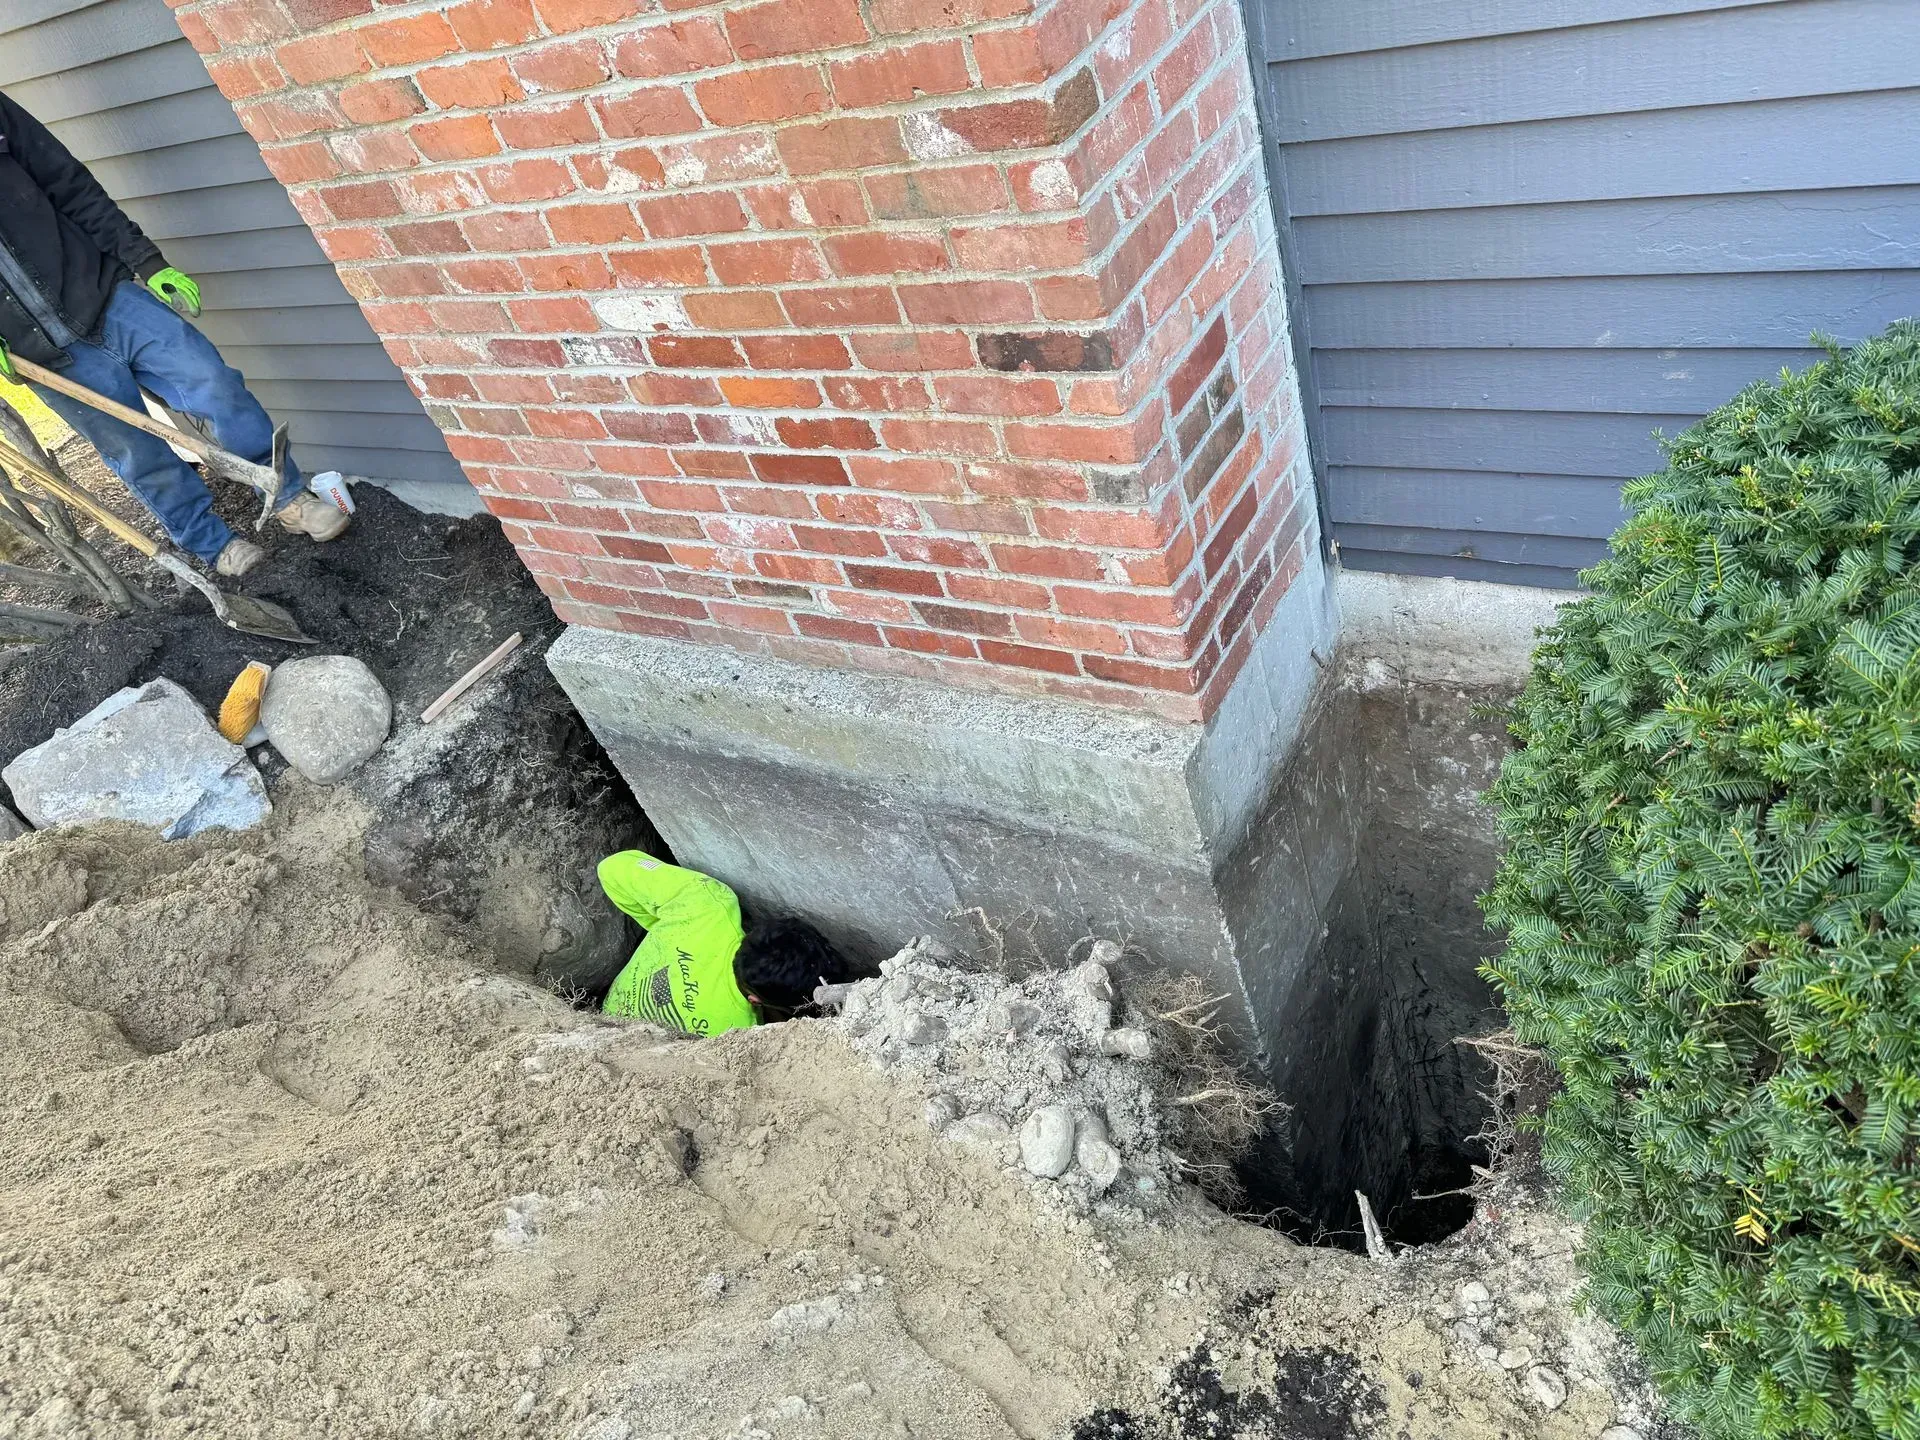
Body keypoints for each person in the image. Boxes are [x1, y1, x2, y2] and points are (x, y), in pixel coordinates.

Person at [0, 89, 347, 580]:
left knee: (215, 384)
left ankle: (287, 498)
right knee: (134, 450)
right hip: (42, 353)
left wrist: (145, 261)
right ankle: (214, 543)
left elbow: (69, 184)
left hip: (101, 294)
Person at [597, 849, 851, 1036]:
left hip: (604, 1018)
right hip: (620, 1036)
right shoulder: (737, 1036)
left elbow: (611, 868)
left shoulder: (705, 904)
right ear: (755, 1000)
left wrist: (660, 927)